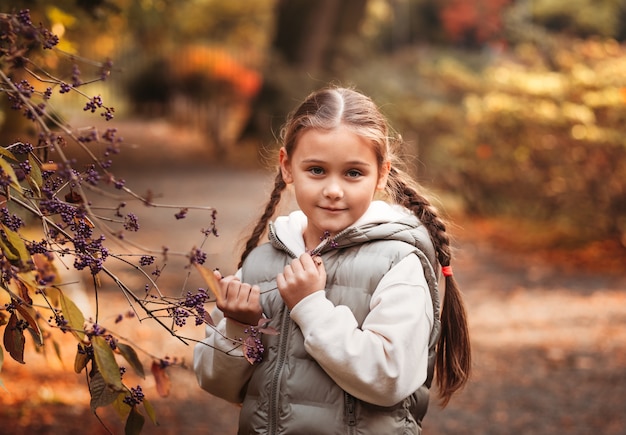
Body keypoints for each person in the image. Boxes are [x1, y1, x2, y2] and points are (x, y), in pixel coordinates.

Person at [193, 86, 471, 434]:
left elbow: (389, 379)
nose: (334, 190)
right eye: (317, 170)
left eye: (353, 173)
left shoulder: (398, 263)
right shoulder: (261, 263)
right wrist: (238, 327)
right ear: (287, 167)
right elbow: (215, 383)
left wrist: (311, 307)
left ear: (381, 174)